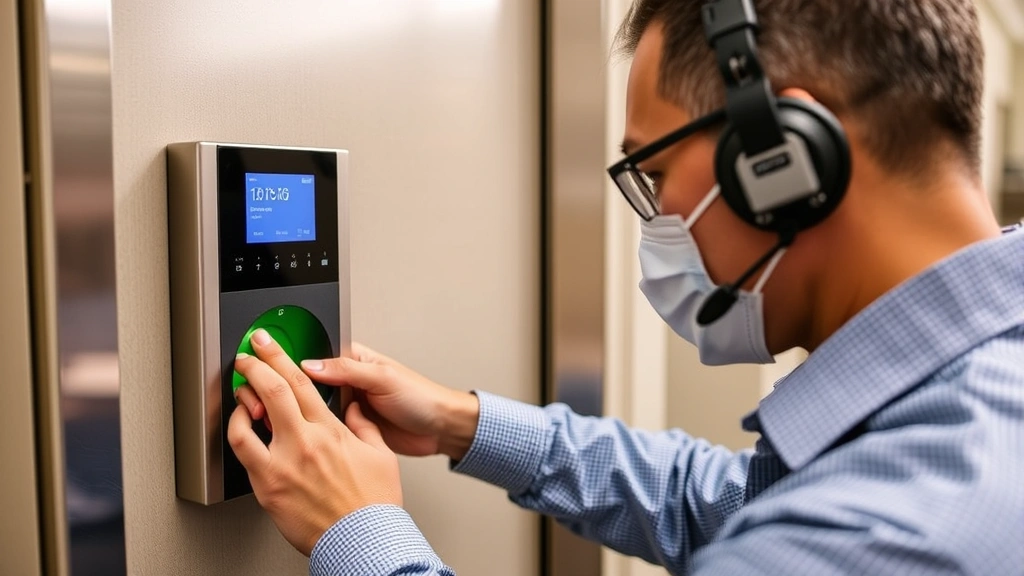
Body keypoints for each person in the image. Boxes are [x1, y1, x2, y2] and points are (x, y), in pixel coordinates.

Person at [228, 0, 1024, 574]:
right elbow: (722, 503)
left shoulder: (886, 536)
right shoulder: (976, 397)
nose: (655, 219)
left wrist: (362, 536)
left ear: (784, 161)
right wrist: (459, 424)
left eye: (655, 173)